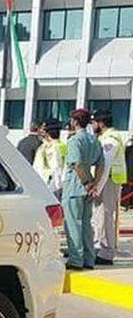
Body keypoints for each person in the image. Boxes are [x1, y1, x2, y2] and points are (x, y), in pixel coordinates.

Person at [61, 109, 104, 271]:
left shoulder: (75, 140)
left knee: (73, 223)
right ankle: (89, 259)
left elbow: (77, 164)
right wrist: (94, 184)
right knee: (86, 225)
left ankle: (76, 259)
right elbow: (101, 165)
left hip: (75, 186)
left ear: (75, 122)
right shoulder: (94, 140)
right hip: (89, 186)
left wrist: (86, 183)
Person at [90, 110, 127, 265]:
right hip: (107, 181)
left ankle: (106, 253)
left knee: (105, 217)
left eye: (93, 122)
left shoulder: (110, 139)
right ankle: (99, 248)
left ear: (101, 123)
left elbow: (105, 166)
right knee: (99, 217)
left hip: (108, 181)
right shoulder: (105, 137)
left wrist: (97, 187)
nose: (92, 125)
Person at [32, 118, 65, 197]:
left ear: (47, 133)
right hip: (57, 185)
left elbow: (55, 168)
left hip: (49, 186)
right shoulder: (63, 146)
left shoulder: (48, 148)